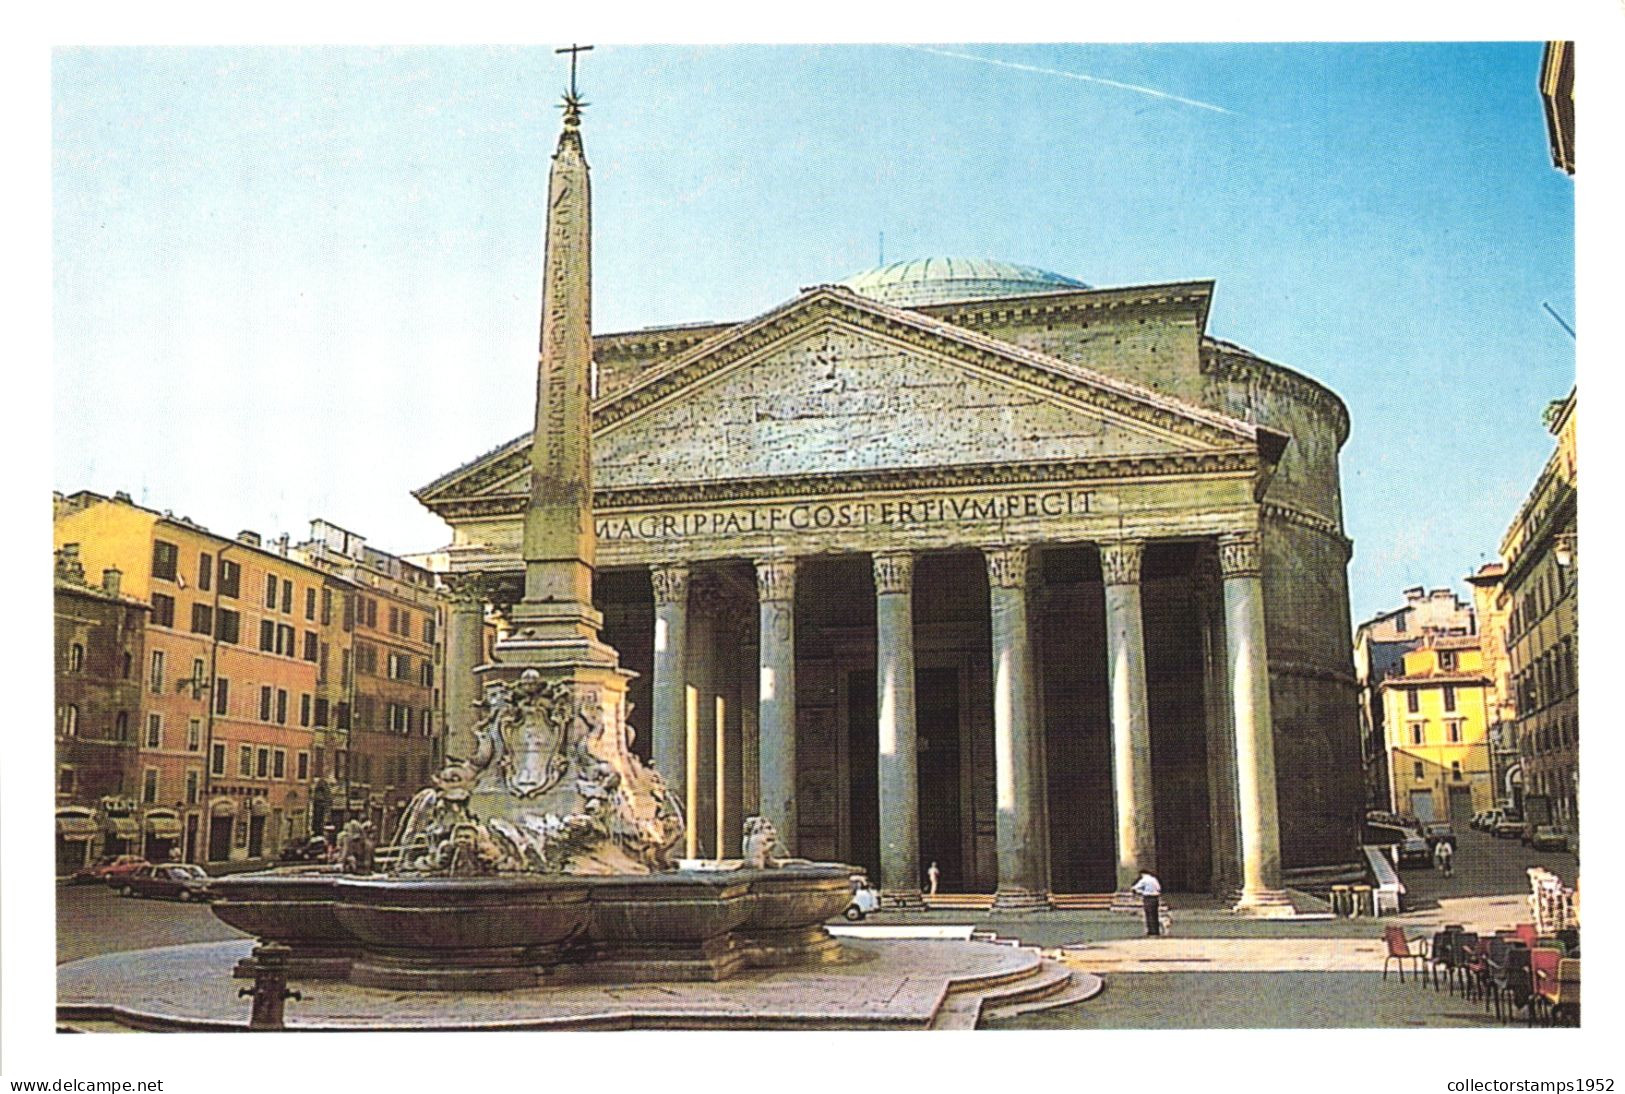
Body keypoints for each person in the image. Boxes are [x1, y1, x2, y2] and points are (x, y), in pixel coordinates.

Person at [1131, 868, 1163, 936]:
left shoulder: (1144, 880)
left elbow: (1135, 888)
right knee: (1155, 914)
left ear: (1142, 874)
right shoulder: (1154, 879)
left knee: (1149, 915)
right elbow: (1159, 888)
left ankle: (1150, 931)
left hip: (1148, 898)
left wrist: (1141, 892)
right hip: (1155, 898)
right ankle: (1156, 930)